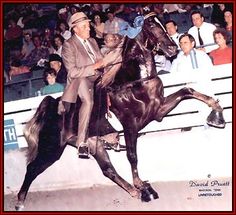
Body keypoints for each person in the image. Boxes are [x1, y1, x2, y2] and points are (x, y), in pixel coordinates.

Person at [58, 12, 105, 159]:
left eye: (88, 25)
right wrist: (95, 66)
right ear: (75, 29)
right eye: (84, 26)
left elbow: (101, 59)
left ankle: (110, 135)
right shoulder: (68, 45)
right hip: (80, 79)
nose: (88, 28)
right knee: (88, 101)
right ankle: (82, 142)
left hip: (97, 76)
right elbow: (72, 72)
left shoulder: (92, 41)